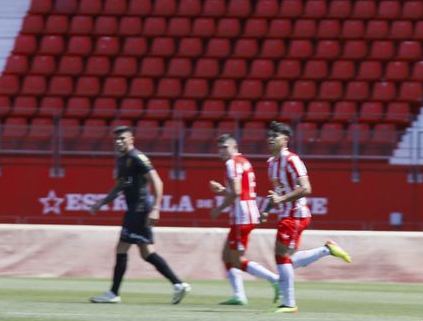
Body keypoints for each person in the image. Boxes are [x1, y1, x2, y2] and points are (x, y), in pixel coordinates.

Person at [87, 125, 191, 304]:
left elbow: (157, 181)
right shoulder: (122, 160)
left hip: (140, 210)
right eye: (116, 139)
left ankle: (113, 293)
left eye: (122, 138)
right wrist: (102, 203)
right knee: (147, 253)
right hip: (135, 210)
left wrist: (156, 208)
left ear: (131, 139)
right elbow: (120, 186)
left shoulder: (137, 157)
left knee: (122, 248)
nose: (119, 142)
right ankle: (178, 284)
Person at [260, 121, 351, 313]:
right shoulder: (271, 163)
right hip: (286, 213)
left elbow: (306, 188)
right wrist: (267, 208)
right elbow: (277, 192)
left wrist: (281, 199)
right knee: (286, 259)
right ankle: (326, 250)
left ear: (285, 139)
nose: (270, 139)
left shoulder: (292, 159)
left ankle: (289, 303)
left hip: (296, 213)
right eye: (268, 135)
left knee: (281, 257)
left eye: (275, 136)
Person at [209, 132, 281, 306]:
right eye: (219, 148)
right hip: (246, 214)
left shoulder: (231, 163)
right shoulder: (244, 161)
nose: (221, 151)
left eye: (225, 147)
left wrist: (219, 208)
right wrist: (222, 190)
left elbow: (237, 192)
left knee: (237, 259)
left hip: (241, 216)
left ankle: (274, 279)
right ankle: (239, 295)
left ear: (234, 147)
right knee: (227, 255)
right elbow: (241, 191)